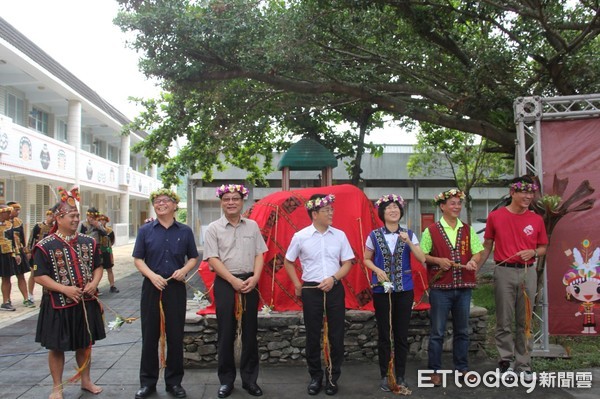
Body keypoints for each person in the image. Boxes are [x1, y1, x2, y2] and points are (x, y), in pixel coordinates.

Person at [32, 187, 105, 399]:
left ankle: (86, 380)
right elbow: (39, 276)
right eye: (72, 216)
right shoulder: (44, 245)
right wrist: (64, 288)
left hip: (85, 301)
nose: (76, 220)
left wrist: (94, 282)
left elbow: (98, 266)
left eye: (77, 216)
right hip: (57, 303)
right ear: (59, 217)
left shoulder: (89, 242)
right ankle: (57, 387)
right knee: (56, 347)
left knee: (85, 343)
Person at [478, 175, 548, 383]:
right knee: (504, 318)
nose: (528, 196)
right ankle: (505, 361)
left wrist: (534, 253)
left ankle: (524, 363)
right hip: (504, 271)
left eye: (531, 192)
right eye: (524, 192)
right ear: (512, 193)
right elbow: (487, 245)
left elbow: (544, 246)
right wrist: (476, 269)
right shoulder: (496, 216)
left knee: (525, 319)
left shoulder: (536, 219)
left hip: (528, 272)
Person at [284, 193, 355, 396]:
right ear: (314, 214)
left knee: (336, 335)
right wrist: (297, 284)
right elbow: (289, 261)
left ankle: (332, 377)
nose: (331, 213)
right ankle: (315, 377)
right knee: (313, 336)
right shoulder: (301, 236)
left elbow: (348, 262)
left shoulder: (339, 235)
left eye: (332, 209)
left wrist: (333, 279)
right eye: (326, 210)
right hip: (311, 290)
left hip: (334, 288)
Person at [133, 188, 199, 399]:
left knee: (175, 336)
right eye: (157, 201)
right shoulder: (145, 231)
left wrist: (184, 270)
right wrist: (152, 276)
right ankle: (148, 383)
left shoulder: (185, 231)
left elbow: (193, 258)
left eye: (165, 201)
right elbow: (138, 259)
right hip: (152, 287)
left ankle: (174, 382)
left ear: (174, 205)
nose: (160, 204)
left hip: (176, 288)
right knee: (150, 336)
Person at [204, 184, 268, 398]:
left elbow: (260, 254)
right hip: (225, 283)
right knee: (226, 332)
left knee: (250, 332)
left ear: (243, 202)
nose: (231, 202)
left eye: (235, 199)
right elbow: (212, 258)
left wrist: (255, 277)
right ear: (221, 202)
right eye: (227, 199)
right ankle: (226, 381)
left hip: (250, 281)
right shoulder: (213, 228)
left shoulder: (252, 226)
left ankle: (250, 380)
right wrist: (232, 280)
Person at [420, 189, 483, 386]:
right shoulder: (430, 231)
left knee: (462, 330)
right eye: (452, 203)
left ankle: (462, 368)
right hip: (440, 289)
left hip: (463, 287)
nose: (456, 207)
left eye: (458, 203)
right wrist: (437, 260)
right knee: (437, 331)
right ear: (442, 207)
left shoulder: (467, 229)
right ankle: (435, 370)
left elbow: (478, 252)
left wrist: (473, 261)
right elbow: (422, 256)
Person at [363, 194, 426, 392]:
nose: (393, 210)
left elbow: (422, 258)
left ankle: (400, 374)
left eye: (396, 207)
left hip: (404, 289)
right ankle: (385, 375)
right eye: (389, 207)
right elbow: (366, 259)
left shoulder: (409, 234)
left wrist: (408, 242)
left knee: (400, 334)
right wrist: (376, 270)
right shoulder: (373, 235)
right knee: (384, 333)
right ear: (382, 212)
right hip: (382, 290)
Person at [7, 201, 34, 308]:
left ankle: (26, 298)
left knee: (21, 275)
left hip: (19, 250)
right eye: (16, 209)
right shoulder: (3, 222)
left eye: (18, 210)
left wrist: (26, 251)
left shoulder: (19, 222)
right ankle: (7, 299)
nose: (18, 212)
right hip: (8, 251)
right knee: (6, 277)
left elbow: (22, 237)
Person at [27, 209, 55, 303]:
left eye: (53, 216)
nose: (51, 218)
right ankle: (30, 294)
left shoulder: (55, 227)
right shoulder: (38, 226)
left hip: (48, 253)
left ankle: (46, 292)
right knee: (33, 273)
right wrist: (29, 251)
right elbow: (31, 238)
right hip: (37, 252)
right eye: (49, 215)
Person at [1, 204, 19, 311]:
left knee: (7, 278)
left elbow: (14, 241)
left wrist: (16, 254)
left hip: (7, 254)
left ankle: (6, 301)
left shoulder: (9, 225)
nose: (9, 214)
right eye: (7, 212)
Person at [97, 214, 118, 293]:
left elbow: (112, 241)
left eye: (103, 220)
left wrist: (107, 248)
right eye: (100, 220)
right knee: (97, 270)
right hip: (98, 252)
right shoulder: (96, 230)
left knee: (109, 269)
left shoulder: (110, 230)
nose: (102, 221)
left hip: (107, 251)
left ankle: (112, 286)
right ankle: (96, 287)